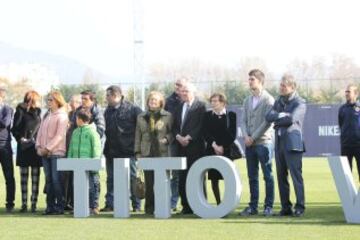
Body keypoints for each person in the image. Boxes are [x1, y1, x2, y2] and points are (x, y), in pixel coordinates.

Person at [266, 74, 306, 217]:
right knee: (281, 177)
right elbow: (268, 116)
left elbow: (291, 119)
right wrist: (281, 115)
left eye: (284, 86)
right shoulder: (278, 101)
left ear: (292, 87)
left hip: (293, 145)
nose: (281, 88)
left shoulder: (300, 102)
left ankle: (300, 207)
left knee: (296, 176)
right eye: (280, 85)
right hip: (279, 144)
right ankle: (286, 207)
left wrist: (278, 117)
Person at [239, 69, 275, 216]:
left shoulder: (269, 100)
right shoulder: (247, 100)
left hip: (263, 142)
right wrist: (246, 136)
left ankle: (268, 206)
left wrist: (252, 137)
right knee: (252, 177)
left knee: (268, 175)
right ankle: (253, 206)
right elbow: (243, 120)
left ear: (260, 81)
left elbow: (267, 122)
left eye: (252, 79)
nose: (249, 81)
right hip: (250, 144)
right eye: (249, 79)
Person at [102, 85, 142, 212]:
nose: (106, 98)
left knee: (132, 178)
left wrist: (137, 147)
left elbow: (142, 128)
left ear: (115, 96)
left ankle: (136, 205)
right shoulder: (107, 111)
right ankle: (110, 204)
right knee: (111, 179)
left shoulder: (133, 109)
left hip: (128, 151)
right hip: (111, 151)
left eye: (108, 95)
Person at [134, 91, 173, 215]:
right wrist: (137, 153)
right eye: (151, 99)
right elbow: (137, 135)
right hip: (146, 152)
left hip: (162, 152)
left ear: (161, 102)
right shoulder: (141, 116)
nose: (153, 101)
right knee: (149, 183)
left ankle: (163, 206)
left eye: (155, 100)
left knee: (162, 182)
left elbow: (173, 132)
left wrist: (167, 139)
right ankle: (149, 209)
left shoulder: (168, 116)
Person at [173, 82, 206, 214]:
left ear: (193, 92)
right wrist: (178, 136)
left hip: (196, 147)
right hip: (181, 147)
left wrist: (189, 137)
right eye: (182, 91)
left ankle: (201, 205)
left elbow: (201, 125)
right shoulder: (179, 107)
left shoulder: (201, 106)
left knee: (197, 176)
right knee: (183, 177)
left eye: (186, 91)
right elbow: (175, 125)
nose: (183, 93)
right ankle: (186, 206)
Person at [36, 91, 68, 215]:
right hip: (45, 154)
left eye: (50, 100)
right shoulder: (46, 116)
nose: (48, 102)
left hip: (57, 154)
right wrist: (38, 147)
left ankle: (59, 207)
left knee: (56, 181)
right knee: (48, 180)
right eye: (47, 100)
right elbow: (39, 133)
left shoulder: (62, 116)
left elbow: (60, 136)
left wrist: (47, 148)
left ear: (57, 101)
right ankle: (49, 207)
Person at [203, 93, 236, 205]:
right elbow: (205, 133)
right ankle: (218, 203)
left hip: (227, 150)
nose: (213, 103)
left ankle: (229, 202)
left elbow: (232, 134)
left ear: (223, 102)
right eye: (211, 101)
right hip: (212, 150)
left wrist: (222, 146)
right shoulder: (207, 115)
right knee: (214, 178)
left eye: (216, 101)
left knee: (228, 177)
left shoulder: (231, 115)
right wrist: (215, 145)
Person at [11, 90, 42, 213]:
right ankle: (24, 204)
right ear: (32, 99)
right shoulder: (20, 110)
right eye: (37, 99)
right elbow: (14, 129)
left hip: (35, 147)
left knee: (35, 177)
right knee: (24, 178)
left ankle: (33, 203)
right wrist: (20, 139)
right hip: (24, 147)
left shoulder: (39, 112)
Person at [67, 109, 102, 215]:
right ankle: (80, 206)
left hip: (90, 166)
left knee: (93, 186)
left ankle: (94, 206)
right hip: (77, 166)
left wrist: (95, 162)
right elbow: (71, 148)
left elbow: (96, 148)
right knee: (77, 186)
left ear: (80, 119)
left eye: (76, 118)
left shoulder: (92, 132)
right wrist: (69, 160)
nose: (75, 120)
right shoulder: (75, 132)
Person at [164, 77, 188, 211]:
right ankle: (173, 202)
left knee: (188, 172)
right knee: (174, 174)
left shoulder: (190, 100)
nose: (177, 87)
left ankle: (187, 202)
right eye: (176, 85)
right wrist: (176, 136)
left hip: (188, 141)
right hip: (174, 141)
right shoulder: (169, 101)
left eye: (180, 85)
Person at [63, 94, 82, 211]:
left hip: (77, 152)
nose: (70, 104)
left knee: (76, 179)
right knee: (66, 179)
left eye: (73, 102)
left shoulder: (80, 117)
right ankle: (66, 202)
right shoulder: (67, 115)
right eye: (70, 101)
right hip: (67, 151)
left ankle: (76, 202)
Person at [338, 84, 360, 181]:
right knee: (346, 176)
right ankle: (349, 196)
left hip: (358, 145)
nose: (346, 94)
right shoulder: (342, 109)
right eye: (346, 92)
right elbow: (341, 124)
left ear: (356, 94)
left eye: (349, 92)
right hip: (346, 145)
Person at [0, 88, 15, 212]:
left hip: (4, 146)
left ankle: (10, 203)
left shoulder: (7, 109)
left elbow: (5, 123)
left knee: (9, 176)